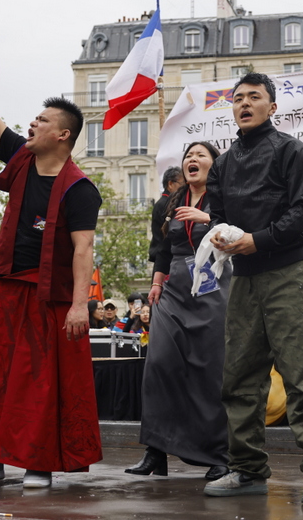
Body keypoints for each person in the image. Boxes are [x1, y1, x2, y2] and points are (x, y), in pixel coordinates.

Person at [0, 48, 102, 489]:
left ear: (63, 135)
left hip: (50, 297)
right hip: (7, 288)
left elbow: (83, 250)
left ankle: (38, 463)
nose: (33, 124)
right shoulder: (20, 157)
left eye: (42, 121)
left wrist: (80, 306)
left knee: (38, 384)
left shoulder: (81, 189)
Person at [205, 72, 303, 505]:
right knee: (240, 376)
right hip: (242, 277)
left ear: (272, 107)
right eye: (238, 98)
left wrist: (257, 240)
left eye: (254, 97)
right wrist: (224, 237)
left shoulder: (292, 151)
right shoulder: (222, 163)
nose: (243, 104)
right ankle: (246, 469)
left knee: (302, 376)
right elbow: (218, 212)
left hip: (288, 273)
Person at [125, 141, 229, 481]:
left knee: (209, 369)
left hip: (214, 286)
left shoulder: (225, 197)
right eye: (188, 156)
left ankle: (218, 455)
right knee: (160, 364)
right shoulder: (170, 202)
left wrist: (210, 219)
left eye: (200, 155)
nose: (192, 160)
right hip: (173, 288)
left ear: (214, 164)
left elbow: (241, 232)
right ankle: (156, 450)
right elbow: (163, 249)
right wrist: (156, 283)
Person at [148, 166, 183, 263]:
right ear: (170, 184)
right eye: (183, 184)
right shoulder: (167, 204)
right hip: (165, 260)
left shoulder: (162, 202)